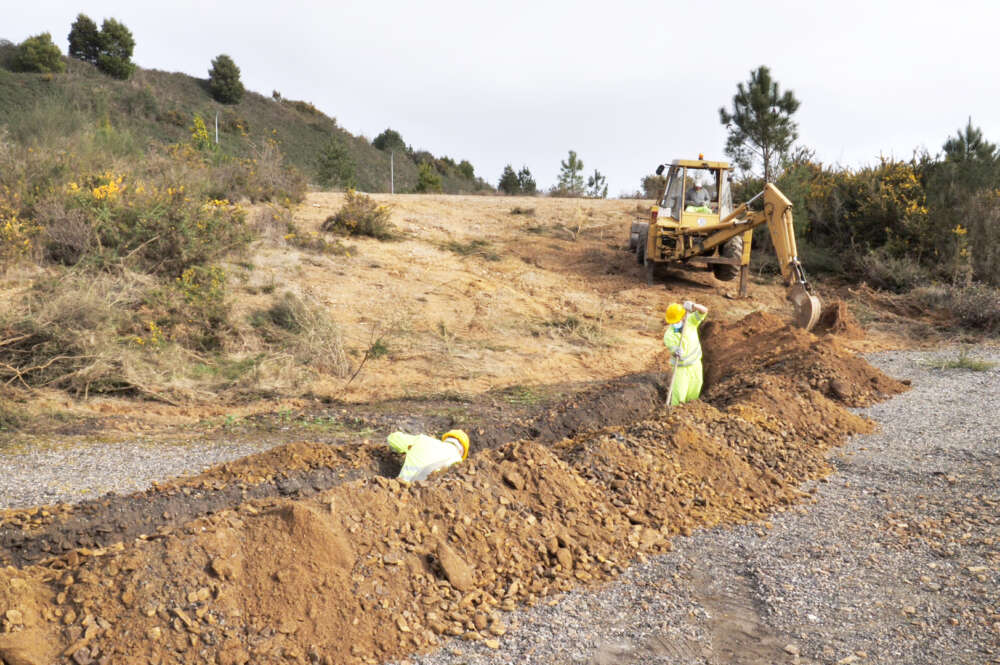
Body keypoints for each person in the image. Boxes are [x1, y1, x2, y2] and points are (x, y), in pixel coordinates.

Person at [663, 300, 709, 406]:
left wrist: (694, 306)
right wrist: (676, 352)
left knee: (694, 394)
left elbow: (704, 310)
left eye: (677, 320)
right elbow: (673, 349)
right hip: (681, 369)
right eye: (673, 322)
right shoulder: (669, 336)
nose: (675, 323)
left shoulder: (691, 321)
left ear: (683, 317)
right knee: (679, 396)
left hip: (696, 365)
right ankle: (674, 416)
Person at [386, 429, 470, 482]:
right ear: (461, 451)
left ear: (446, 439)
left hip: (400, 491)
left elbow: (392, 439)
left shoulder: (423, 439)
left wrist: (405, 449)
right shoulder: (458, 463)